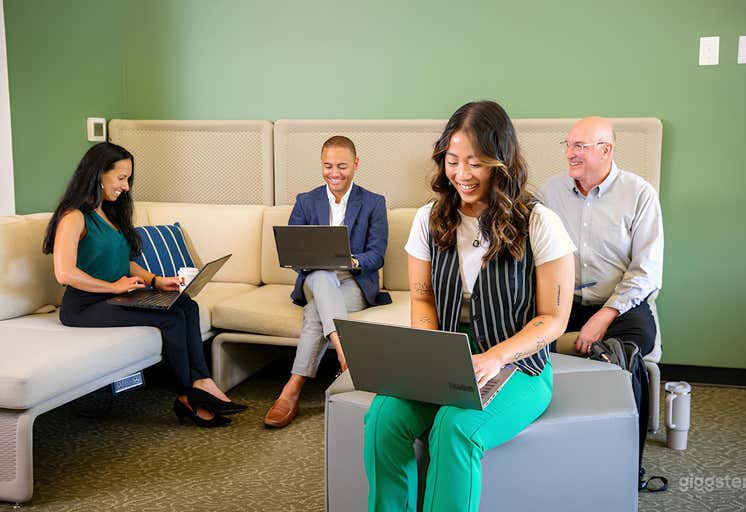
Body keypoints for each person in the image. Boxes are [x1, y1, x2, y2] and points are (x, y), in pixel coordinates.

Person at [363, 101, 576, 511]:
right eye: (453, 161)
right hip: (446, 364)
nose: (462, 175)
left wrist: (495, 358)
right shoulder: (429, 219)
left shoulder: (539, 223)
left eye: (476, 163)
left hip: (519, 367)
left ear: (501, 162)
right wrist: (425, 349)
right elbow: (423, 298)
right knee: (382, 421)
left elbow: (554, 318)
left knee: (455, 428)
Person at [43, 142, 246, 428]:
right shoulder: (73, 217)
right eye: (121, 178)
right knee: (173, 317)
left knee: (186, 304)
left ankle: (201, 382)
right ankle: (189, 396)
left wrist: (155, 280)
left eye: (128, 179)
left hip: (115, 297)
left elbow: (125, 263)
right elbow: (64, 273)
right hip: (85, 306)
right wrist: (112, 287)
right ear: (99, 174)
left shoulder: (110, 213)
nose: (126, 187)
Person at [264, 136, 391, 428]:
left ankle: (291, 390)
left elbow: (376, 255)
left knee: (315, 314)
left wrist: (351, 261)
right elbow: (293, 253)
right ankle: (345, 354)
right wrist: (313, 259)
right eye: (328, 166)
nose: (334, 173)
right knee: (321, 277)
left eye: (342, 166)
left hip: (353, 283)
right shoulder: (306, 201)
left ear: (356, 164)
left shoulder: (373, 202)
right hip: (314, 278)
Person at [537, 116, 663, 357]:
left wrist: (606, 315)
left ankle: (614, 381)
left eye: (580, 146)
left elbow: (646, 272)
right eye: (568, 145)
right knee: (527, 341)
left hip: (619, 304)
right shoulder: (549, 193)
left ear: (606, 150)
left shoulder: (639, 194)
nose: (569, 154)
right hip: (562, 303)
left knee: (633, 344)